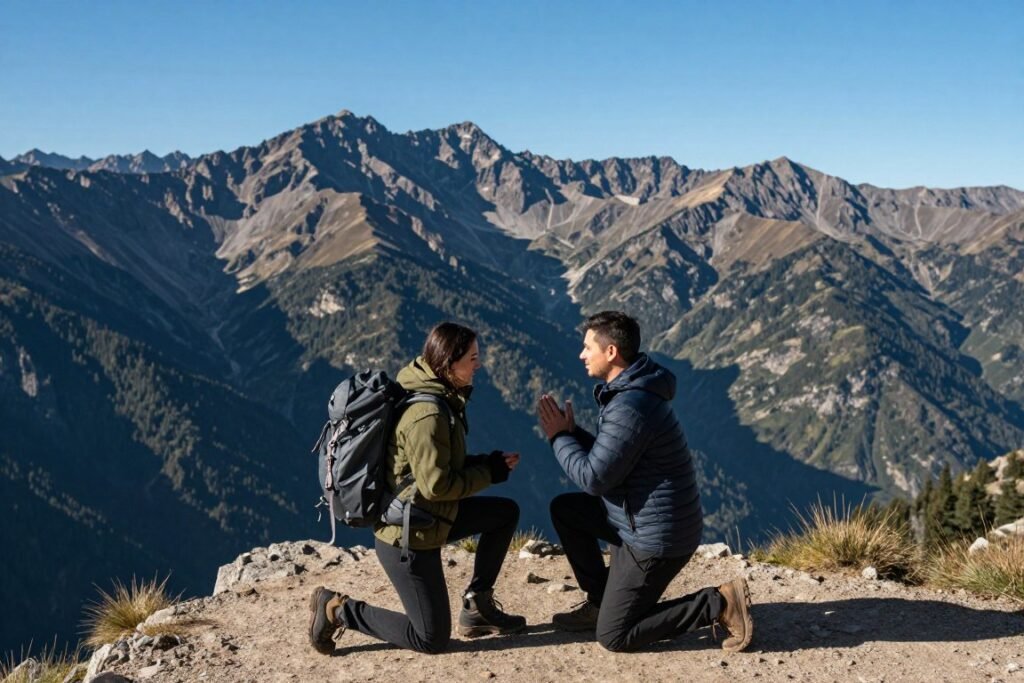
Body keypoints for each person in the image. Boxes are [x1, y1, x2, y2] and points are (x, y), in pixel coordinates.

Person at [536, 310, 753, 653]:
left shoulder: (630, 406)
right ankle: (602, 602)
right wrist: (572, 433)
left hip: (656, 538)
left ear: (611, 352)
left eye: (588, 347)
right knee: (566, 509)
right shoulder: (632, 392)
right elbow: (613, 457)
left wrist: (558, 437)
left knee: (614, 636)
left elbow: (593, 479)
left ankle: (720, 603)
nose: (581, 354)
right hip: (638, 520)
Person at [309, 322, 526, 655]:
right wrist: (489, 473)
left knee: (504, 514)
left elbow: (432, 465)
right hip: (408, 537)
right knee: (430, 639)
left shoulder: (437, 395)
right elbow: (437, 485)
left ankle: (478, 607)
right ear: (449, 364)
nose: (478, 364)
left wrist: (487, 463)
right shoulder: (428, 414)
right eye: (472, 358)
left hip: (430, 516)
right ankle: (337, 610)